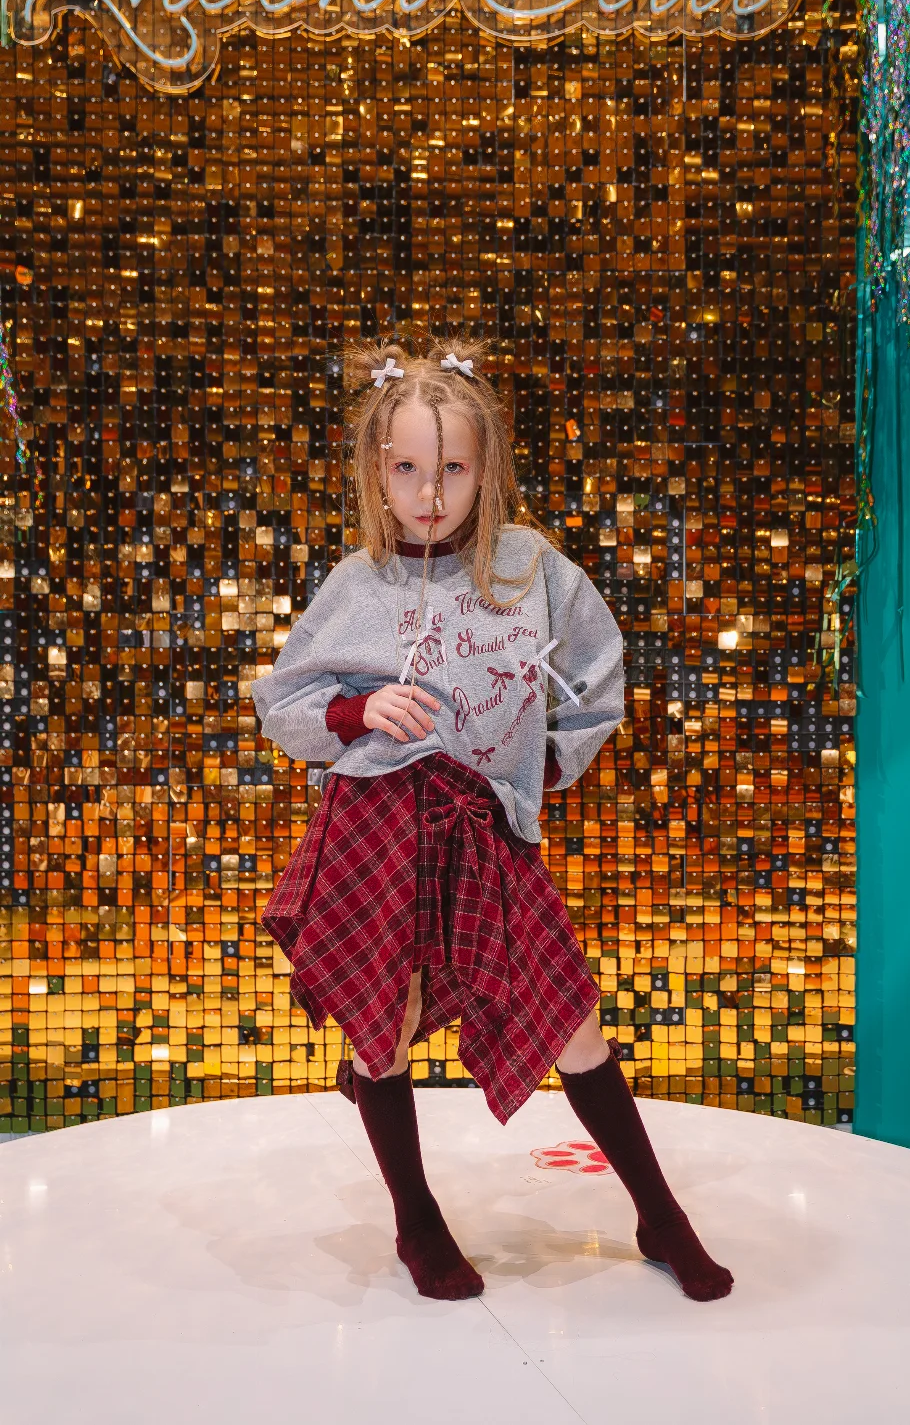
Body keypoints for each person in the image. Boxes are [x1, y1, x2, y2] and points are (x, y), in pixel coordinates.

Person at [251, 337, 733, 1305]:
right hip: (379, 825)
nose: (430, 494)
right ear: (378, 470)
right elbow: (282, 705)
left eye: (453, 470)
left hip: (482, 831)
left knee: (572, 1017)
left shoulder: (527, 569)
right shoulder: (358, 584)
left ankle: (659, 1213)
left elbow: (597, 673)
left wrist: (537, 767)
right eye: (407, 470)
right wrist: (357, 710)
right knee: (380, 1027)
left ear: (486, 468)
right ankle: (415, 1219)